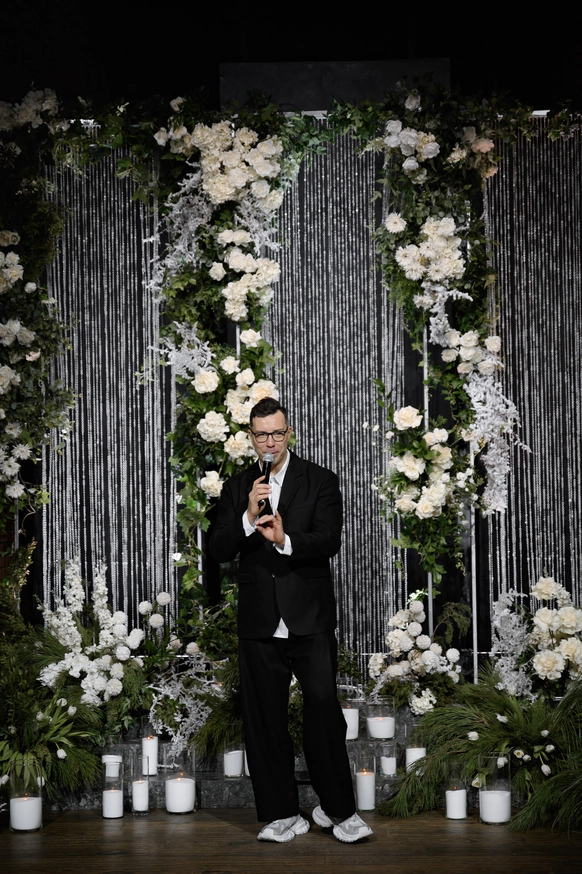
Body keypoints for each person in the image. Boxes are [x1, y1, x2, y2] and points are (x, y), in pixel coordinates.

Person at [208, 397, 373, 844]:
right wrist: (247, 517)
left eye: (277, 433)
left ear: (289, 433)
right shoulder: (238, 486)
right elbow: (218, 549)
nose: (270, 442)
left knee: (323, 711)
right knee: (264, 719)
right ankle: (281, 813)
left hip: (309, 616)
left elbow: (329, 540)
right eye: (262, 435)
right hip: (259, 619)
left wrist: (285, 540)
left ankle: (337, 810)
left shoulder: (319, 479)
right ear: (251, 438)